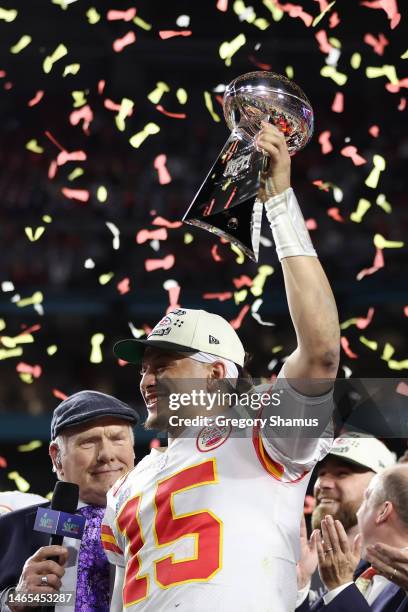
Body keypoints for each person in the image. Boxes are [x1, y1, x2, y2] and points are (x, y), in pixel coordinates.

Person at [102, 121, 341, 611]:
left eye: (165, 364)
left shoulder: (263, 431)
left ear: (216, 375)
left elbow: (321, 351)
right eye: (144, 367)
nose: (147, 379)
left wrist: (279, 201)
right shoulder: (123, 488)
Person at [0, 390, 138, 612]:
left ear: (132, 451)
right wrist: (16, 600)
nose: (107, 454)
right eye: (88, 442)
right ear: (57, 457)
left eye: (117, 438)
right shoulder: (9, 531)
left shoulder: (163, 523)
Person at [297, 433, 396, 608]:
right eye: (321, 473)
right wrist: (301, 588)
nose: (323, 483)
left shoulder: (395, 575)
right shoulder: (300, 562)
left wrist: (341, 587)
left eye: (342, 474)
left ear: (382, 489)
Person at [304, 463, 408, 611]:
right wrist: (302, 586)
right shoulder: (359, 571)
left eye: (366, 499)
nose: (359, 512)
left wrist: (341, 588)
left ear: (383, 511)